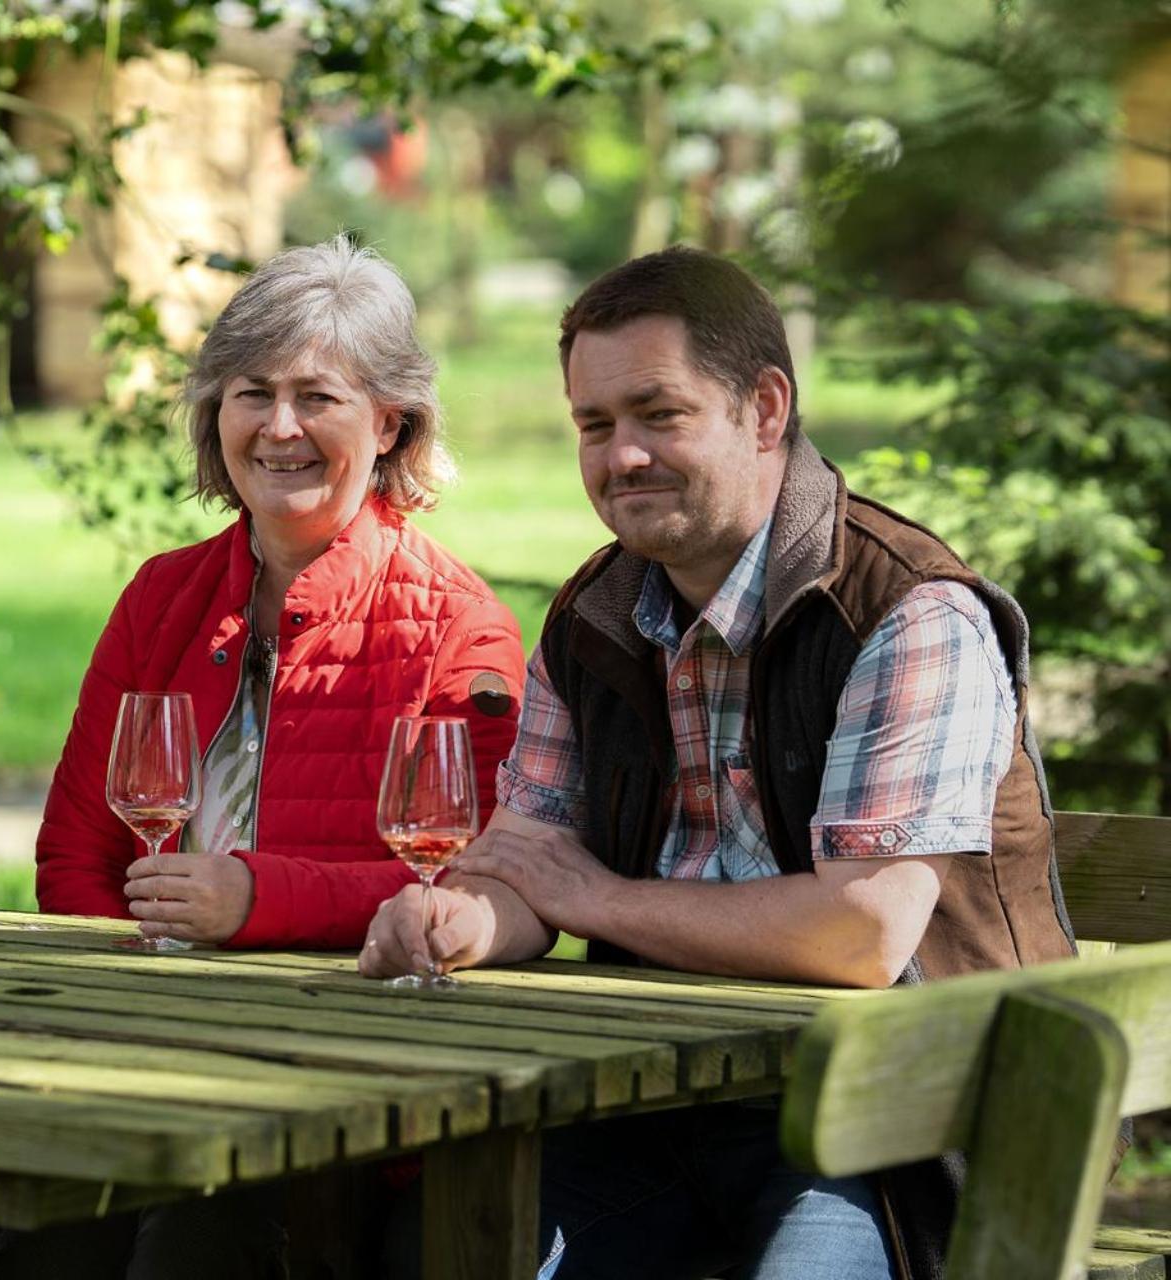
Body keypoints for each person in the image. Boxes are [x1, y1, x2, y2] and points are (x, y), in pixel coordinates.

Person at [359, 245, 1078, 1280]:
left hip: (885, 1132)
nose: (622, 456)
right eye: (594, 425)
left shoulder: (906, 610)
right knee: (440, 1250)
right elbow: (525, 859)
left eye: (659, 413)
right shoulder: (595, 613)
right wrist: (462, 917)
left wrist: (597, 898)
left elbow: (861, 932)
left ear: (766, 408)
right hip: (640, 1101)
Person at [8, 237, 525, 1277]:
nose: (279, 427)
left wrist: (255, 898)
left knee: (196, 1239)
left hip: (350, 1081)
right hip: (144, 1055)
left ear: (390, 421)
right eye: (251, 393)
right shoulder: (161, 597)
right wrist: (137, 1021)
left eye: (317, 396)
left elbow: (468, 883)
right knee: (38, 1227)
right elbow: (76, 856)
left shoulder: (458, 626)